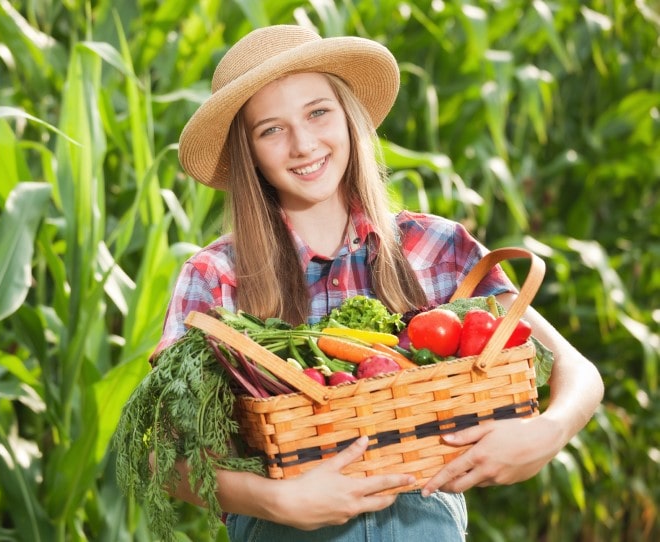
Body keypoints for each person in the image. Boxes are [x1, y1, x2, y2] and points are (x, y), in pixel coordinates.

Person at [156, 24, 603, 541]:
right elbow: (162, 456)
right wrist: (278, 499)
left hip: (423, 522)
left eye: (317, 112)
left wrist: (545, 433)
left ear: (349, 116)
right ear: (249, 152)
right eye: (270, 129)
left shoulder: (432, 247)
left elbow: (578, 370)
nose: (303, 144)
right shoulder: (218, 276)